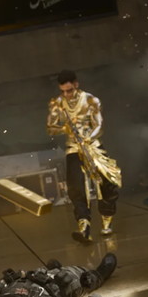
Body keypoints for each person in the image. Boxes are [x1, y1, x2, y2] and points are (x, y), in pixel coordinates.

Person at [46, 69, 122, 243]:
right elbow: (50, 128)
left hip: (93, 147)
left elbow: (99, 125)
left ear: (76, 84)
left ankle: (107, 220)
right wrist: (64, 128)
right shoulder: (57, 104)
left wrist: (87, 139)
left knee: (107, 183)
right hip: (73, 149)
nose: (67, 94)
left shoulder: (90, 100)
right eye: (63, 91)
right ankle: (84, 226)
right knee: (76, 188)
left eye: (70, 90)